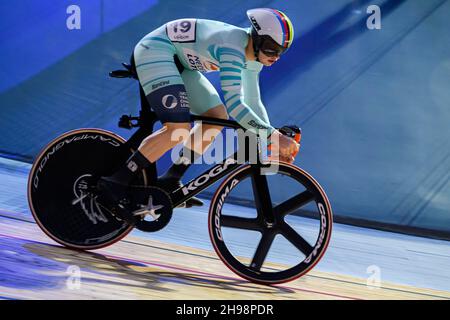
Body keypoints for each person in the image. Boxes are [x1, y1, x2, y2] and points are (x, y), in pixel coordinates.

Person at [97, 8, 300, 220]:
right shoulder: (233, 47)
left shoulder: (253, 58)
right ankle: (116, 181)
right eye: (270, 49)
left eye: (280, 51)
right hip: (156, 52)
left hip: (179, 62)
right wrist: (272, 136)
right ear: (256, 39)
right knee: (178, 129)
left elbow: (252, 102)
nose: (275, 57)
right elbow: (236, 105)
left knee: (216, 116)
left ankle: (172, 178)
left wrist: (269, 139)